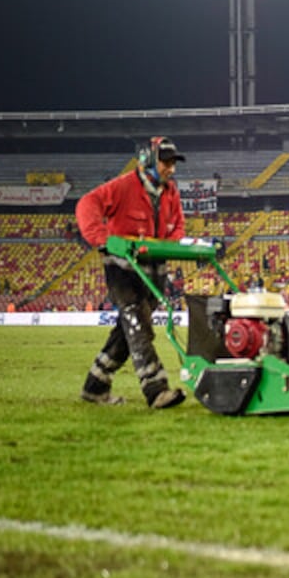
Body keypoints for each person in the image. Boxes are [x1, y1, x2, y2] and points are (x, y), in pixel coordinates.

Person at [75, 136, 188, 409]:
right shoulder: (123, 186)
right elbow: (86, 205)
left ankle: (95, 386)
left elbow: (179, 227)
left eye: (173, 163)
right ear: (148, 160)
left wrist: (168, 245)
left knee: (128, 330)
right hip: (122, 268)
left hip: (155, 269)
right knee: (138, 323)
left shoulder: (171, 192)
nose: (171, 169)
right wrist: (102, 239)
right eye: (166, 162)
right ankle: (156, 389)